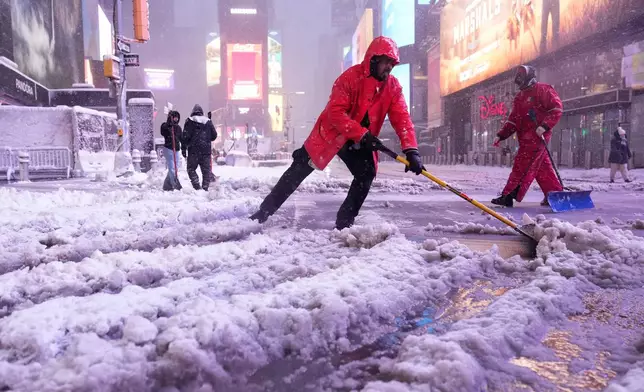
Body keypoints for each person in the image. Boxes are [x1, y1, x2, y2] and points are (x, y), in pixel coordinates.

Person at [250, 36, 423, 229]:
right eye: (386, 62)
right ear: (374, 59)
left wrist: (411, 150)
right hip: (331, 134)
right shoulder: (349, 78)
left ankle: (344, 222)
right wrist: (362, 134)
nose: (389, 67)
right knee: (298, 170)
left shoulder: (392, 87)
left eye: (392, 63)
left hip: (359, 141)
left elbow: (402, 119)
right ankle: (263, 212)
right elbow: (335, 113)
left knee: (366, 174)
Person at [491, 65, 564, 207]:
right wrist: (501, 135)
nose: (519, 83)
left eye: (521, 79)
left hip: (537, 136)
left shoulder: (544, 90)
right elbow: (514, 120)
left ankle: (508, 195)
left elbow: (556, 108)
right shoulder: (520, 97)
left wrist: (544, 126)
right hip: (525, 138)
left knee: (523, 164)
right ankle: (555, 195)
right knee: (542, 168)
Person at [182, 104, 218, 191]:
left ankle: (197, 186)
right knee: (206, 172)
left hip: (193, 151)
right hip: (206, 151)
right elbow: (214, 136)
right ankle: (205, 188)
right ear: (201, 112)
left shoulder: (189, 121)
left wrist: (184, 149)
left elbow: (185, 137)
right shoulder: (208, 121)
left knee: (191, 169)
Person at [160, 110, 182, 191]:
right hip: (168, 149)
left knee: (174, 168)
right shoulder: (165, 126)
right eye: (174, 117)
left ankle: (167, 185)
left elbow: (181, 138)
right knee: (172, 168)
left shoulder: (178, 128)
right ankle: (176, 185)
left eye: (177, 118)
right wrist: (169, 125)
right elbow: (162, 132)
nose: (176, 119)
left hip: (176, 150)